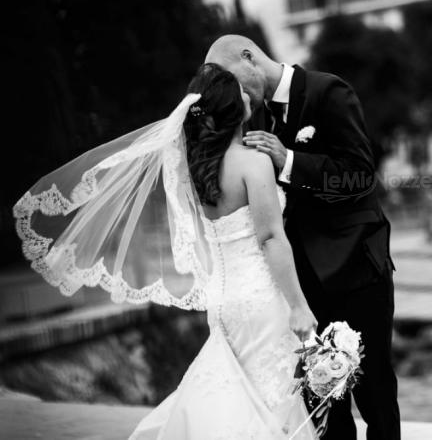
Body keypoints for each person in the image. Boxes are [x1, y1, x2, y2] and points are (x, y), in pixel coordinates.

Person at [13, 62, 318, 439]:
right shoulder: (254, 164)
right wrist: (300, 305)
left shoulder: (198, 169)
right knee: (271, 402)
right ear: (233, 110)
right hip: (260, 297)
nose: (246, 94)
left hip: (224, 299)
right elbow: (271, 238)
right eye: (239, 91)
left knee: (241, 395)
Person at [206, 35, 401, 440]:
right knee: (322, 401)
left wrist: (288, 159)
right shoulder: (250, 116)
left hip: (356, 272)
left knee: (375, 393)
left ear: (250, 58)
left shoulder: (328, 91)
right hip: (301, 286)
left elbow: (360, 176)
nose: (235, 95)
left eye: (235, 83)